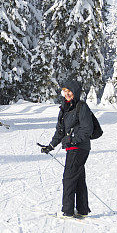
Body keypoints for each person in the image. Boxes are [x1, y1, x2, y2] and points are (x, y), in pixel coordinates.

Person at [41, 79, 94, 218]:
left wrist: (72, 139)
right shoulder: (64, 107)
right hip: (72, 148)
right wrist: (50, 146)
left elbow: (87, 129)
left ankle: (67, 211)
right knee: (78, 178)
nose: (67, 94)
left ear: (75, 92)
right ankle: (82, 210)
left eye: (69, 91)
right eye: (65, 91)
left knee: (69, 178)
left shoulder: (81, 107)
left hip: (79, 147)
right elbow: (60, 130)